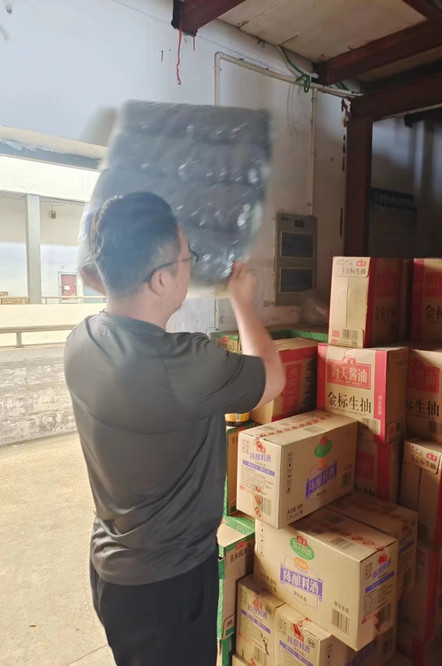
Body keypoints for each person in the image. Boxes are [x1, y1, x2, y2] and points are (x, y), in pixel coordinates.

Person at [64, 192, 285, 666]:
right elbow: (272, 378)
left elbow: (99, 276)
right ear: (162, 279)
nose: (190, 267)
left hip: (112, 574)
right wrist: (243, 304)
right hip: (169, 587)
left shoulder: (81, 340)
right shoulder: (184, 364)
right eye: (188, 259)